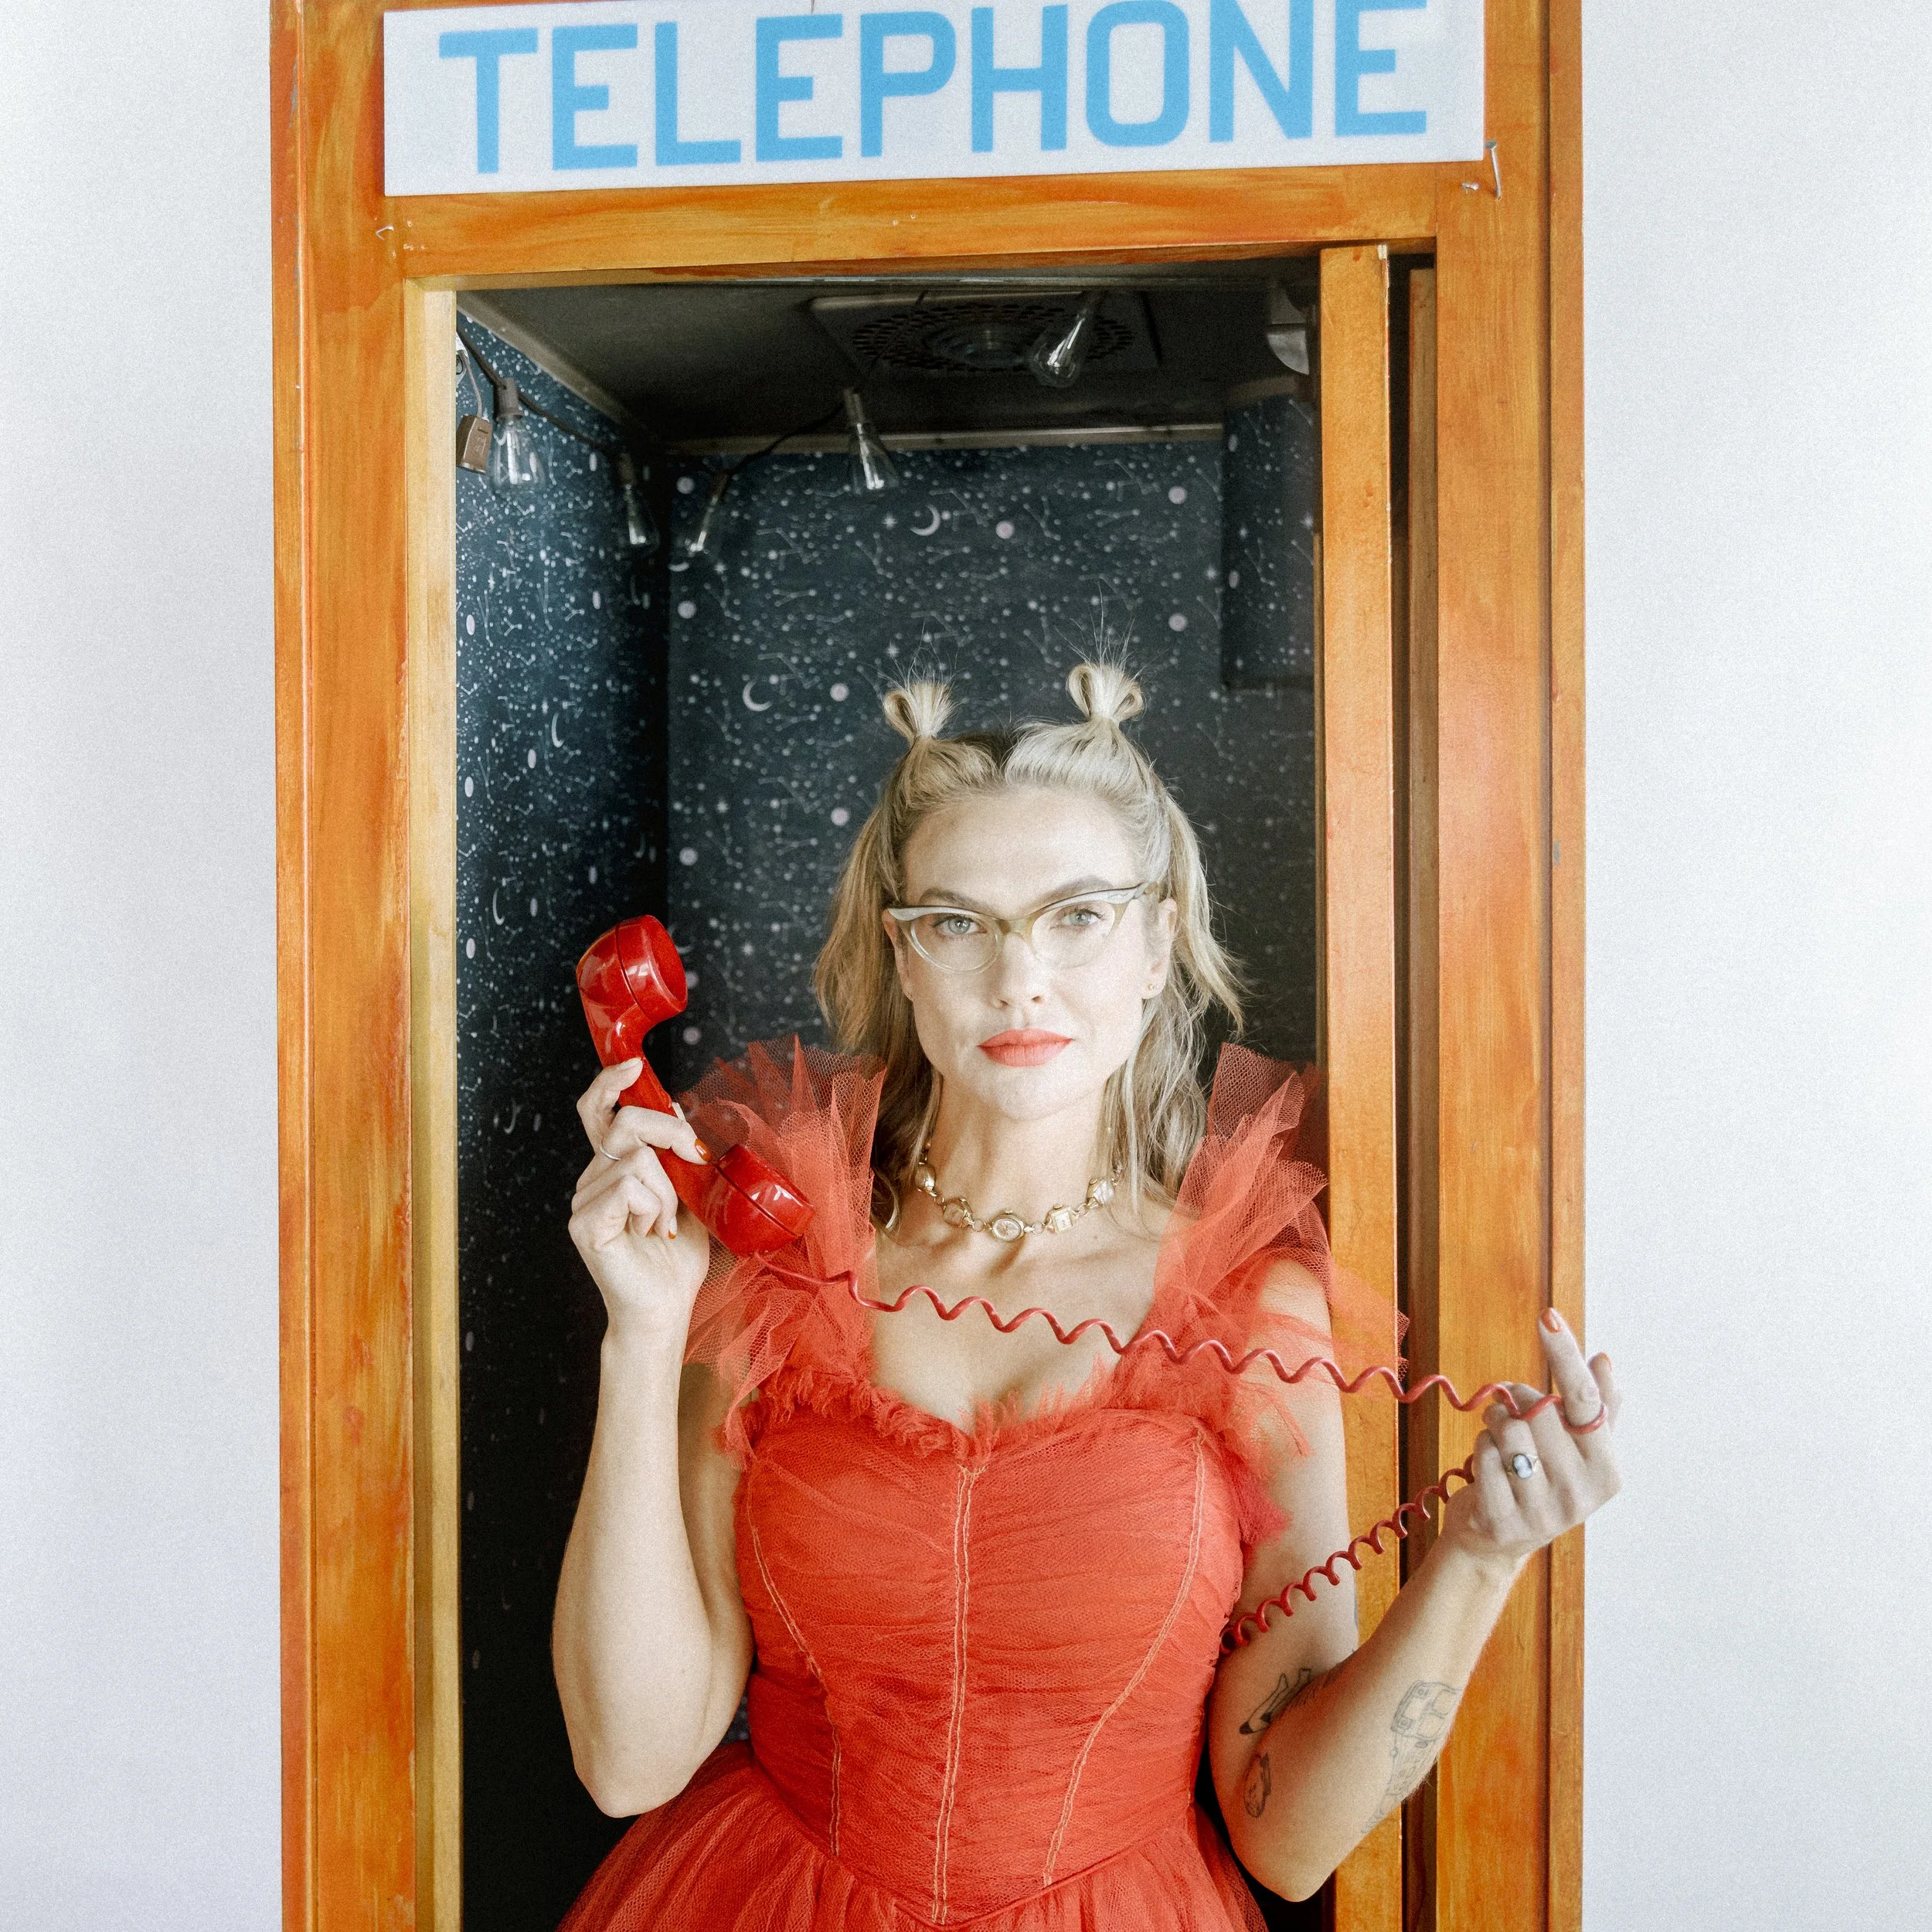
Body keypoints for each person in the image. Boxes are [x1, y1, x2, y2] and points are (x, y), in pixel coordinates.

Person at [552, 662, 1621, 1930]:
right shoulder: (775, 1263)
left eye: (1076, 916)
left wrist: (1481, 1562)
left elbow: (1284, 1839)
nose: (1019, 979)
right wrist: (644, 1328)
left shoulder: (1249, 1307)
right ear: (901, 956)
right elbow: (631, 1762)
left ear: (1159, 939)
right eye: (958, 923)